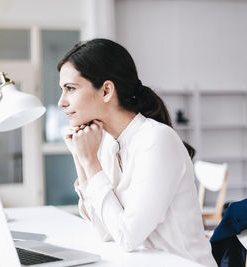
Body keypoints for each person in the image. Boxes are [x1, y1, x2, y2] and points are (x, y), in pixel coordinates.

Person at [57, 38, 217, 267]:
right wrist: (80, 156)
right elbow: (104, 231)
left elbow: (127, 236)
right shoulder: (112, 143)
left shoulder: (156, 140)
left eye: (70, 88)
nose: (62, 101)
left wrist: (90, 161)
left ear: (106, 91)